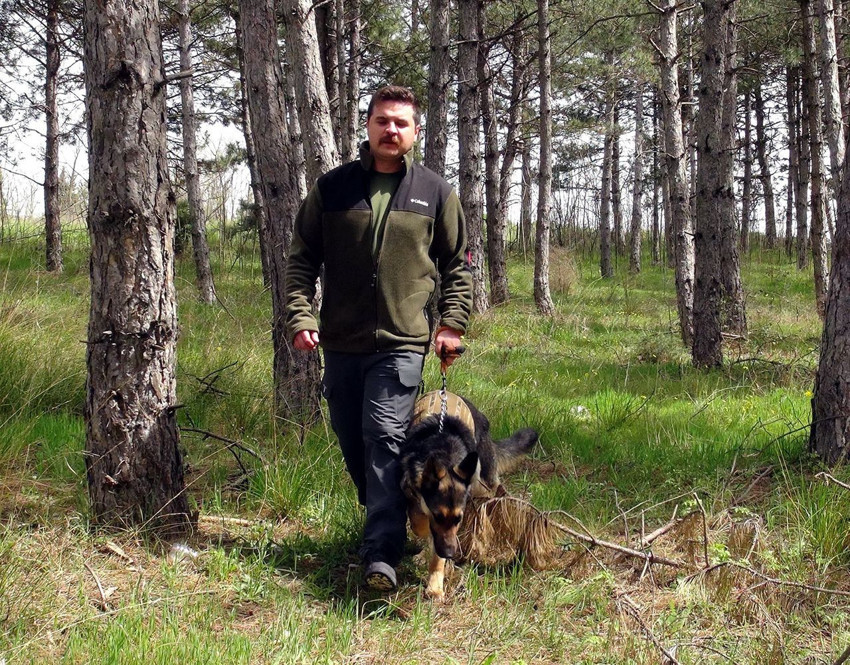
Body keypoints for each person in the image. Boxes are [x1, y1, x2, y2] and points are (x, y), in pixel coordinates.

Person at [284, 85, 473, 591]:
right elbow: (302, 258)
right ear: (367, 125)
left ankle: (381, 556)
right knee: (353, 443)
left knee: (384, 439)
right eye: (383, 120)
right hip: (341, 344)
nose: (392, 130)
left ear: (415, 132)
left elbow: (459, 265)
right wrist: (301, 316)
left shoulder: (435, 193)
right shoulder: (333, 189)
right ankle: (391, 520)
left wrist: (452, 321)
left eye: (402, 123)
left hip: (402, 342)